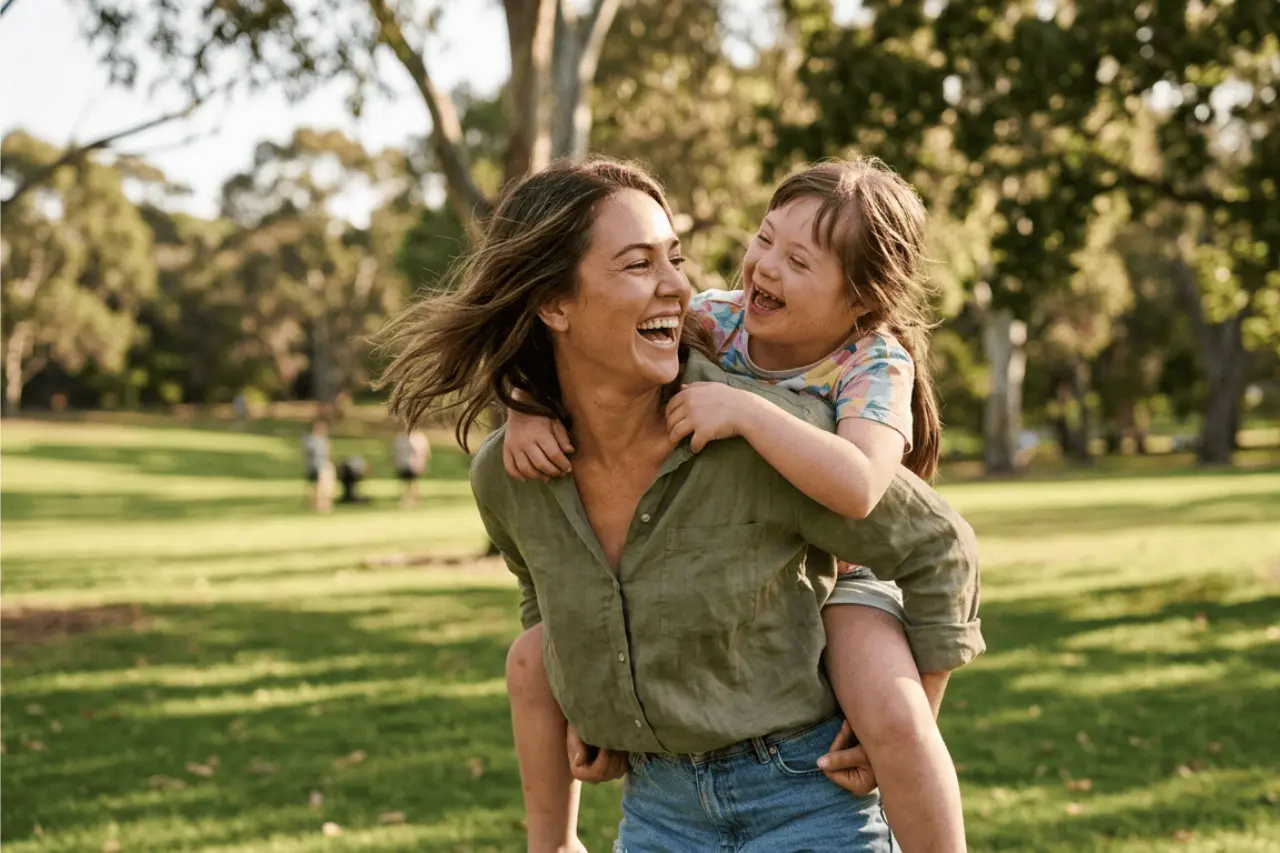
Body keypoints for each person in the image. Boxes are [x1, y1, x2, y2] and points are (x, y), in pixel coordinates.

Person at [379, 158, 982, 853]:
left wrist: (911, 709)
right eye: (640, 263)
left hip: (816, 735)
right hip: (660, 812)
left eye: (674, 258)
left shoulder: (843, 383)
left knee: (894, 708)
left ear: (858, 300)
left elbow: (887, 506)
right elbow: (547, 586)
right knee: (528, 655)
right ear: (554, 302)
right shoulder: (527, 462)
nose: (678, 284)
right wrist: (521, 402)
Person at [302, 417, 334, 513]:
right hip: (313, 466)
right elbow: (307, 453)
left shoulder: (325, 440)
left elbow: (327, 454)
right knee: (314, 486)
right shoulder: (310, 440)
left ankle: (324, 504)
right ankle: (314, 504)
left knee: (325, 485)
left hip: (323, 466)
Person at [393, 429, 431, 507]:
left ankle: (415, 499)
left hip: (413, 464)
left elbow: (424, 452)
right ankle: (406, 499)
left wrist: (421, 462)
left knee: (413, 482)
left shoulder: (418, 438)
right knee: (406, 483)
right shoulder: (401, 438)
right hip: (404, 463)